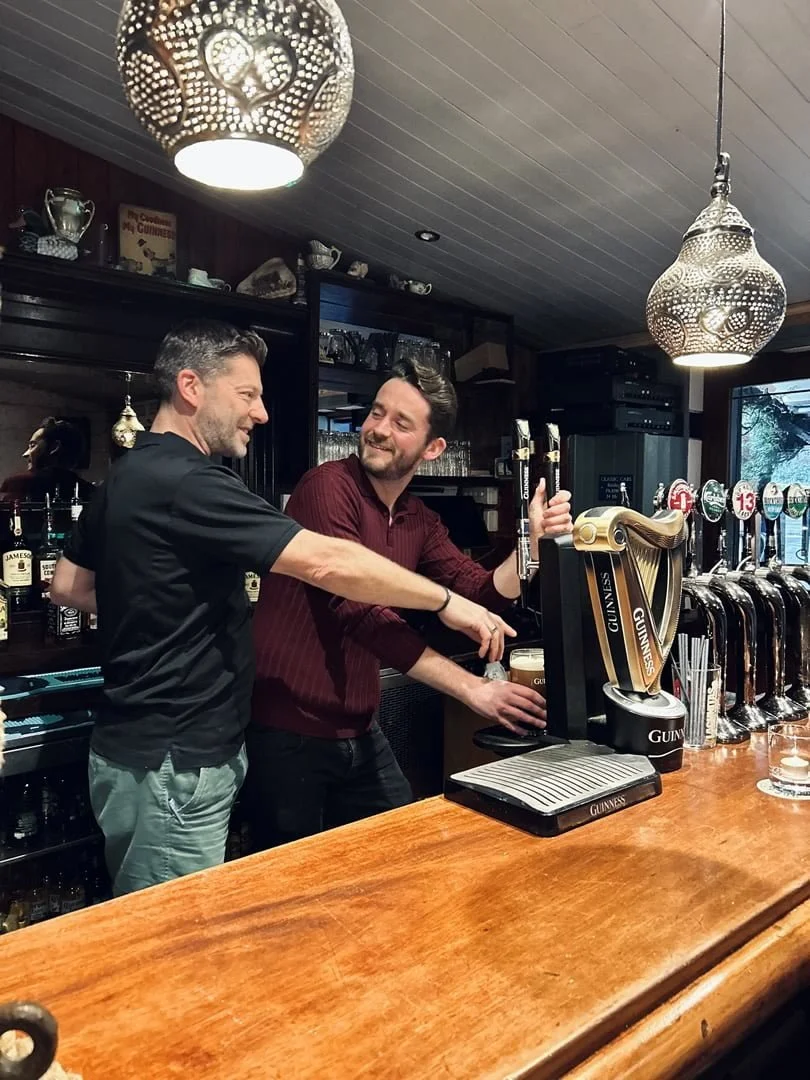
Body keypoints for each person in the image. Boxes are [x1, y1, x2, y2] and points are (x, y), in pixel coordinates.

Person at [49, 321, 516, 897]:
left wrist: (161, 601)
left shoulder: (124, 476)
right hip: (177, 760)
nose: (262, 412)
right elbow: (327, 565)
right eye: (247, 395)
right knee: (180, 947)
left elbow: (68, 586)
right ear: (191, 387)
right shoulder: (193, 482)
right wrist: (445, 602)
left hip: (144, 752)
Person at [247, 358, 573, 848]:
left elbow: (480, 591)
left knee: (408, 853)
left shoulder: (417, 519)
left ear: (433, 448)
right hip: (288, 733)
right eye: (377, 413)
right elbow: (361, 613)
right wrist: (472, 689)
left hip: (357, 728)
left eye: (401, 423)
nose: (378, 430)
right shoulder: (326, 488)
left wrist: (531, 542)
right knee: (291, 897)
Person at [0, 416, 95, 504]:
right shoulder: (91, 492)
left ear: (54, 447)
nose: (25, 454)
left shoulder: (18, 484)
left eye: (33, 445)